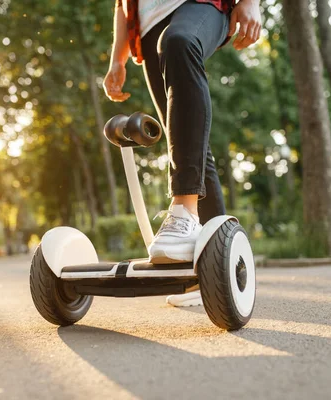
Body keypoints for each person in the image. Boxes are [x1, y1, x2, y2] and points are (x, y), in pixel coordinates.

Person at [104, 0, 261, 305]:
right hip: (149, 27)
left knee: (179, 41)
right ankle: (216, 271)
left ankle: (184, 212)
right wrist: (117, 60)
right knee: (189, 143)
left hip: (201, 5)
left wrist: (251, 2)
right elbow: (121, 5)